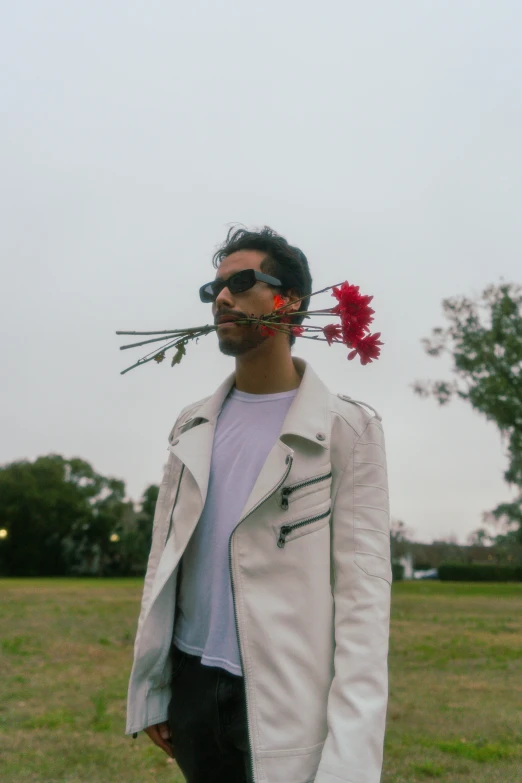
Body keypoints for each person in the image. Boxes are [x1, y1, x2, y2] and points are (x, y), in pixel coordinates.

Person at [126, 226, 392, 783]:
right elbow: (165, 560)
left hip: (284, 695)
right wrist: (155, 688)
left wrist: (350, 758)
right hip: (195, 685)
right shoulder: (191, 423)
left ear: (289, 302)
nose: (222, 297)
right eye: (215, 287)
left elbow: (364, 597)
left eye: (241, 282)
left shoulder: (348, 429)